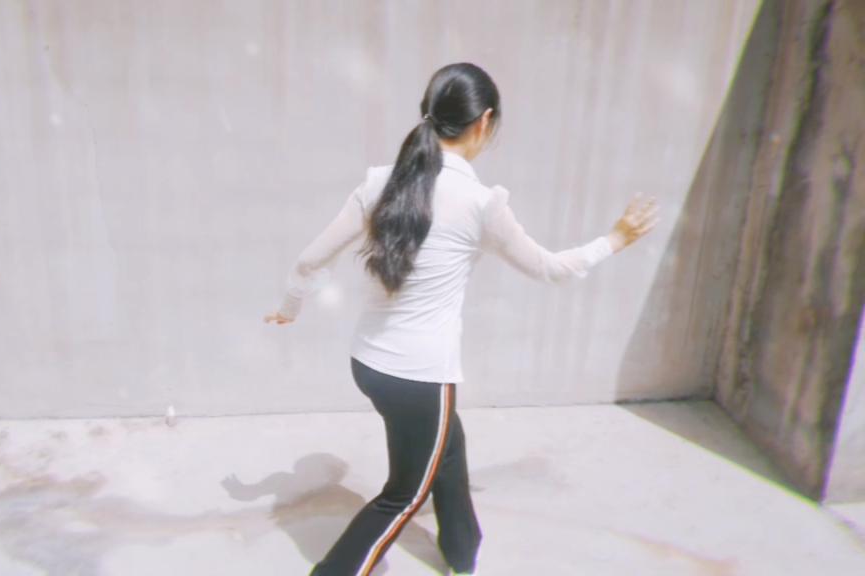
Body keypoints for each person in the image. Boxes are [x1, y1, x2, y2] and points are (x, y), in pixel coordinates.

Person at [263, 62, 659, 576]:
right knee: (404, 494)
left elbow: (308, 261)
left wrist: (289, 309)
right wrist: (616, 239)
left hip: (369, 364)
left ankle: (461, 551)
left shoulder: (379, 182)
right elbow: (551, 269)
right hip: (420, 377)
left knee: (449, 446)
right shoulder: (480, 203)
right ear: (484, 121)